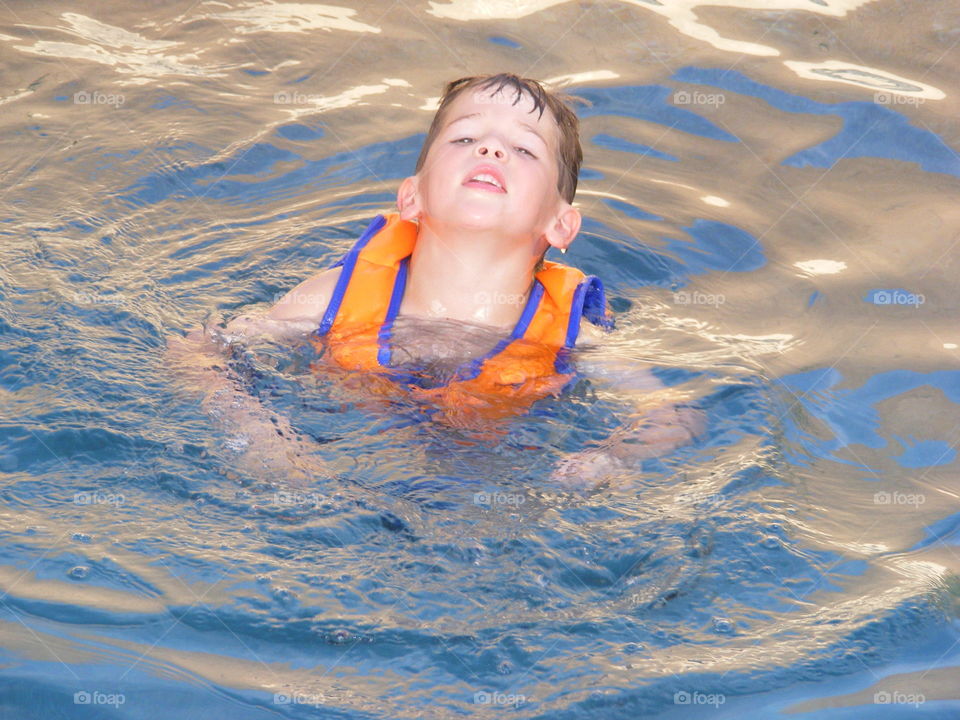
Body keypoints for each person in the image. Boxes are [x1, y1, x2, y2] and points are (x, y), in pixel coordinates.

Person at [167, 73, 703, 490]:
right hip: (348, 461)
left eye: (523, 149)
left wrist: (610, 456)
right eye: (466, 136)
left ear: (560, 225)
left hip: (500, 478)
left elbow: (675, 415)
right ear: (411, 197)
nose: (490, 150)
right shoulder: (335, 296)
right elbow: (199, 349)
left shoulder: (569, 337)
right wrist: (262, 433)